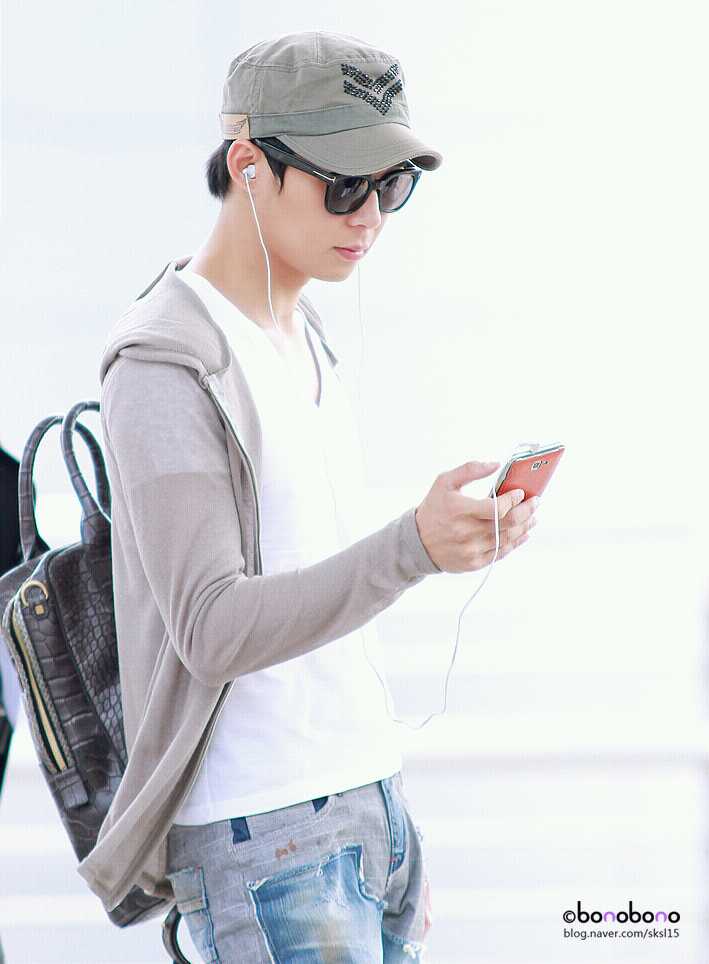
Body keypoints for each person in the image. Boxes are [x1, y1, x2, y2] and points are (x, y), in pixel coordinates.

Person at [77, 31, 538, 962]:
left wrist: (388, 817)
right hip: (267, 839)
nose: (369, 215)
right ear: (249, 164)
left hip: (369, 810)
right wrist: (412, 548)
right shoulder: (166, 363)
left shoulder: (304, 331)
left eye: (391, 186)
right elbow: (213, 628)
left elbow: (320, 600)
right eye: (343, 185)